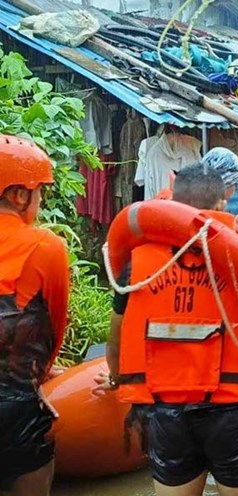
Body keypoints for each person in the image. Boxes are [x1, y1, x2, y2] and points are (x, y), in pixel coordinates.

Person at [97, 164, 238, 496]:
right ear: (222, 205)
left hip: (166, 414)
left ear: (173, 204)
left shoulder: (137, 265)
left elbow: (117, 338)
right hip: (231, 411)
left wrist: (117, 377)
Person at [0, 136, 69, 496]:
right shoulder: (46, 247)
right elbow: (54, 327)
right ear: (19, 195)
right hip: (16, 409)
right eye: (39, 192)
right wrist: (39, 374)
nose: (40, 202)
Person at [155, 148, 238, 245]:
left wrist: (234, 224)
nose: (234, 191)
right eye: (235, 184)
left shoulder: (174, 198)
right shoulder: (180, 208)